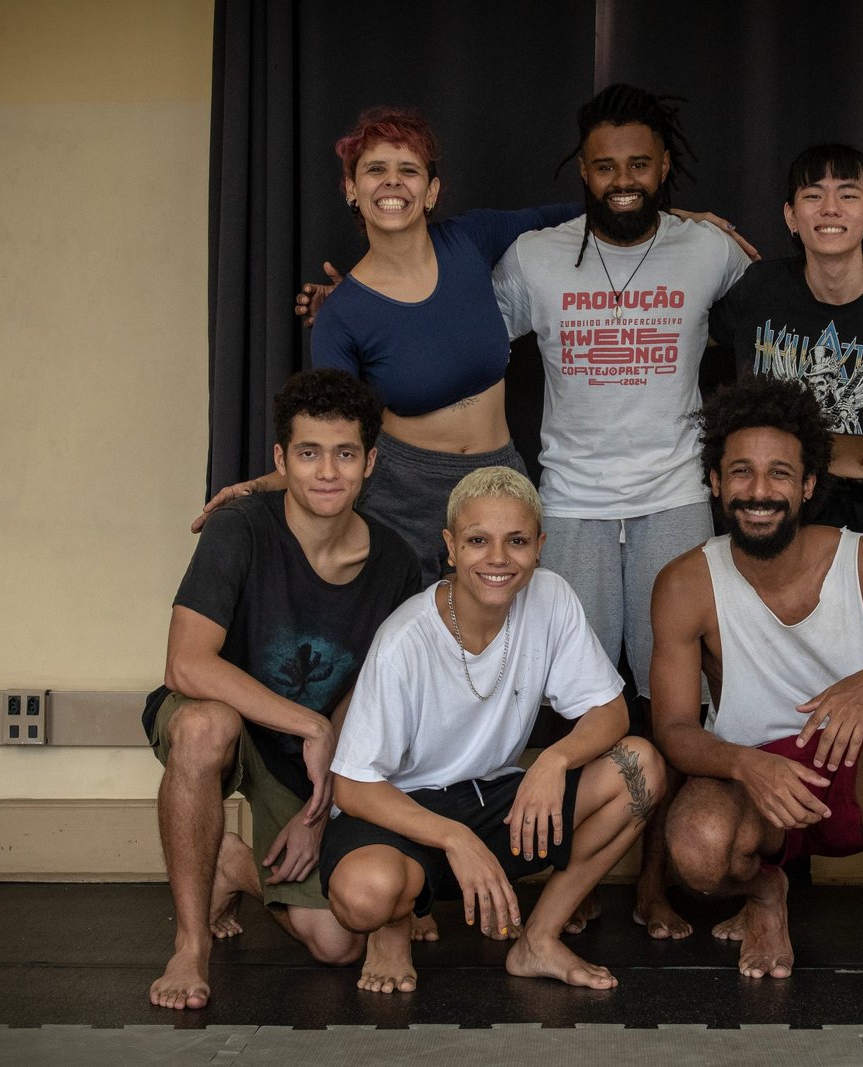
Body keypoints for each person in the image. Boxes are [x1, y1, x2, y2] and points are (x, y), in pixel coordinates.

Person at [490, 83, 754, 938]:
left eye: (639, 163)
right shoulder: (535, 256)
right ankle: (576, 875)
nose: (624, 179)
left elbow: (787, 312)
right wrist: (355, 305)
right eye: (606, 166)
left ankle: (653, 884)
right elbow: (457, 341)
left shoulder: (707, 251)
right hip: (568, 502)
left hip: (675, 498)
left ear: (664, 164)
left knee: (668, 709)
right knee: (568, 708)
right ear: (584, 170)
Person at [649, 378, 863, 1022]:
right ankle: (767, 895)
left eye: (779, 474)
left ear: (806, 485)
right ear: (715, 482)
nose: (759, 491)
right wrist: (747, 764)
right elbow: (675, 729)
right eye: (741, 472)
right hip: (757, 790)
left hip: (862, 775)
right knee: (697, 846)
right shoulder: (685, 583)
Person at [195, 107, 581, 585]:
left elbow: (571, 218)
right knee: (412, 642)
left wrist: (668, 224)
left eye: (409, 170)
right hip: (403, 492)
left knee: (519, 637)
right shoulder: (341, 315)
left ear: (432, 190)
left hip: (499, 474)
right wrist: (258, 485)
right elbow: (332, 431)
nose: (392, 182)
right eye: (375, 169)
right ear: (351, 190)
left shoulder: (469, 239)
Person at [319, 467, 666, 992]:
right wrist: (454, 838)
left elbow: (610, 712)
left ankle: (539, 940)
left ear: (540, 546)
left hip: (494, 798)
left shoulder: (550, 598)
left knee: (640, 767)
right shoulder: (404, 641)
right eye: (478, 541)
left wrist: (553, 760)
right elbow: (352, 784)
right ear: (451, 548)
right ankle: (391, 929)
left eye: (517, 541)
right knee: (365, 895)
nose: (499, 558)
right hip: (402, 809)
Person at [144, 368, 423, 1010]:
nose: (327, 472)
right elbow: (185, 664)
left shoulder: (397, 564)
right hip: (232, 720)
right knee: (203, 726)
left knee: (336, 943)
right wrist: (310, 724)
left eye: (345, 453)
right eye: (308, 452)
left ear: (370, 462)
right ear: (281, 459)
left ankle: (230, 864)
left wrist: (320, 811)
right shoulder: (240, 527)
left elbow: (375, 699)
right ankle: (190, 945)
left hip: (308, 759)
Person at [710, 144, 863, 619]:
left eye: (847, 195)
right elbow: (684, 329)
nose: (830, 209)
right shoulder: (759, 290)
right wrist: (682, 217)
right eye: (813, 195)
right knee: (800, 642)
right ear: (790, 215)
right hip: (805, 497)